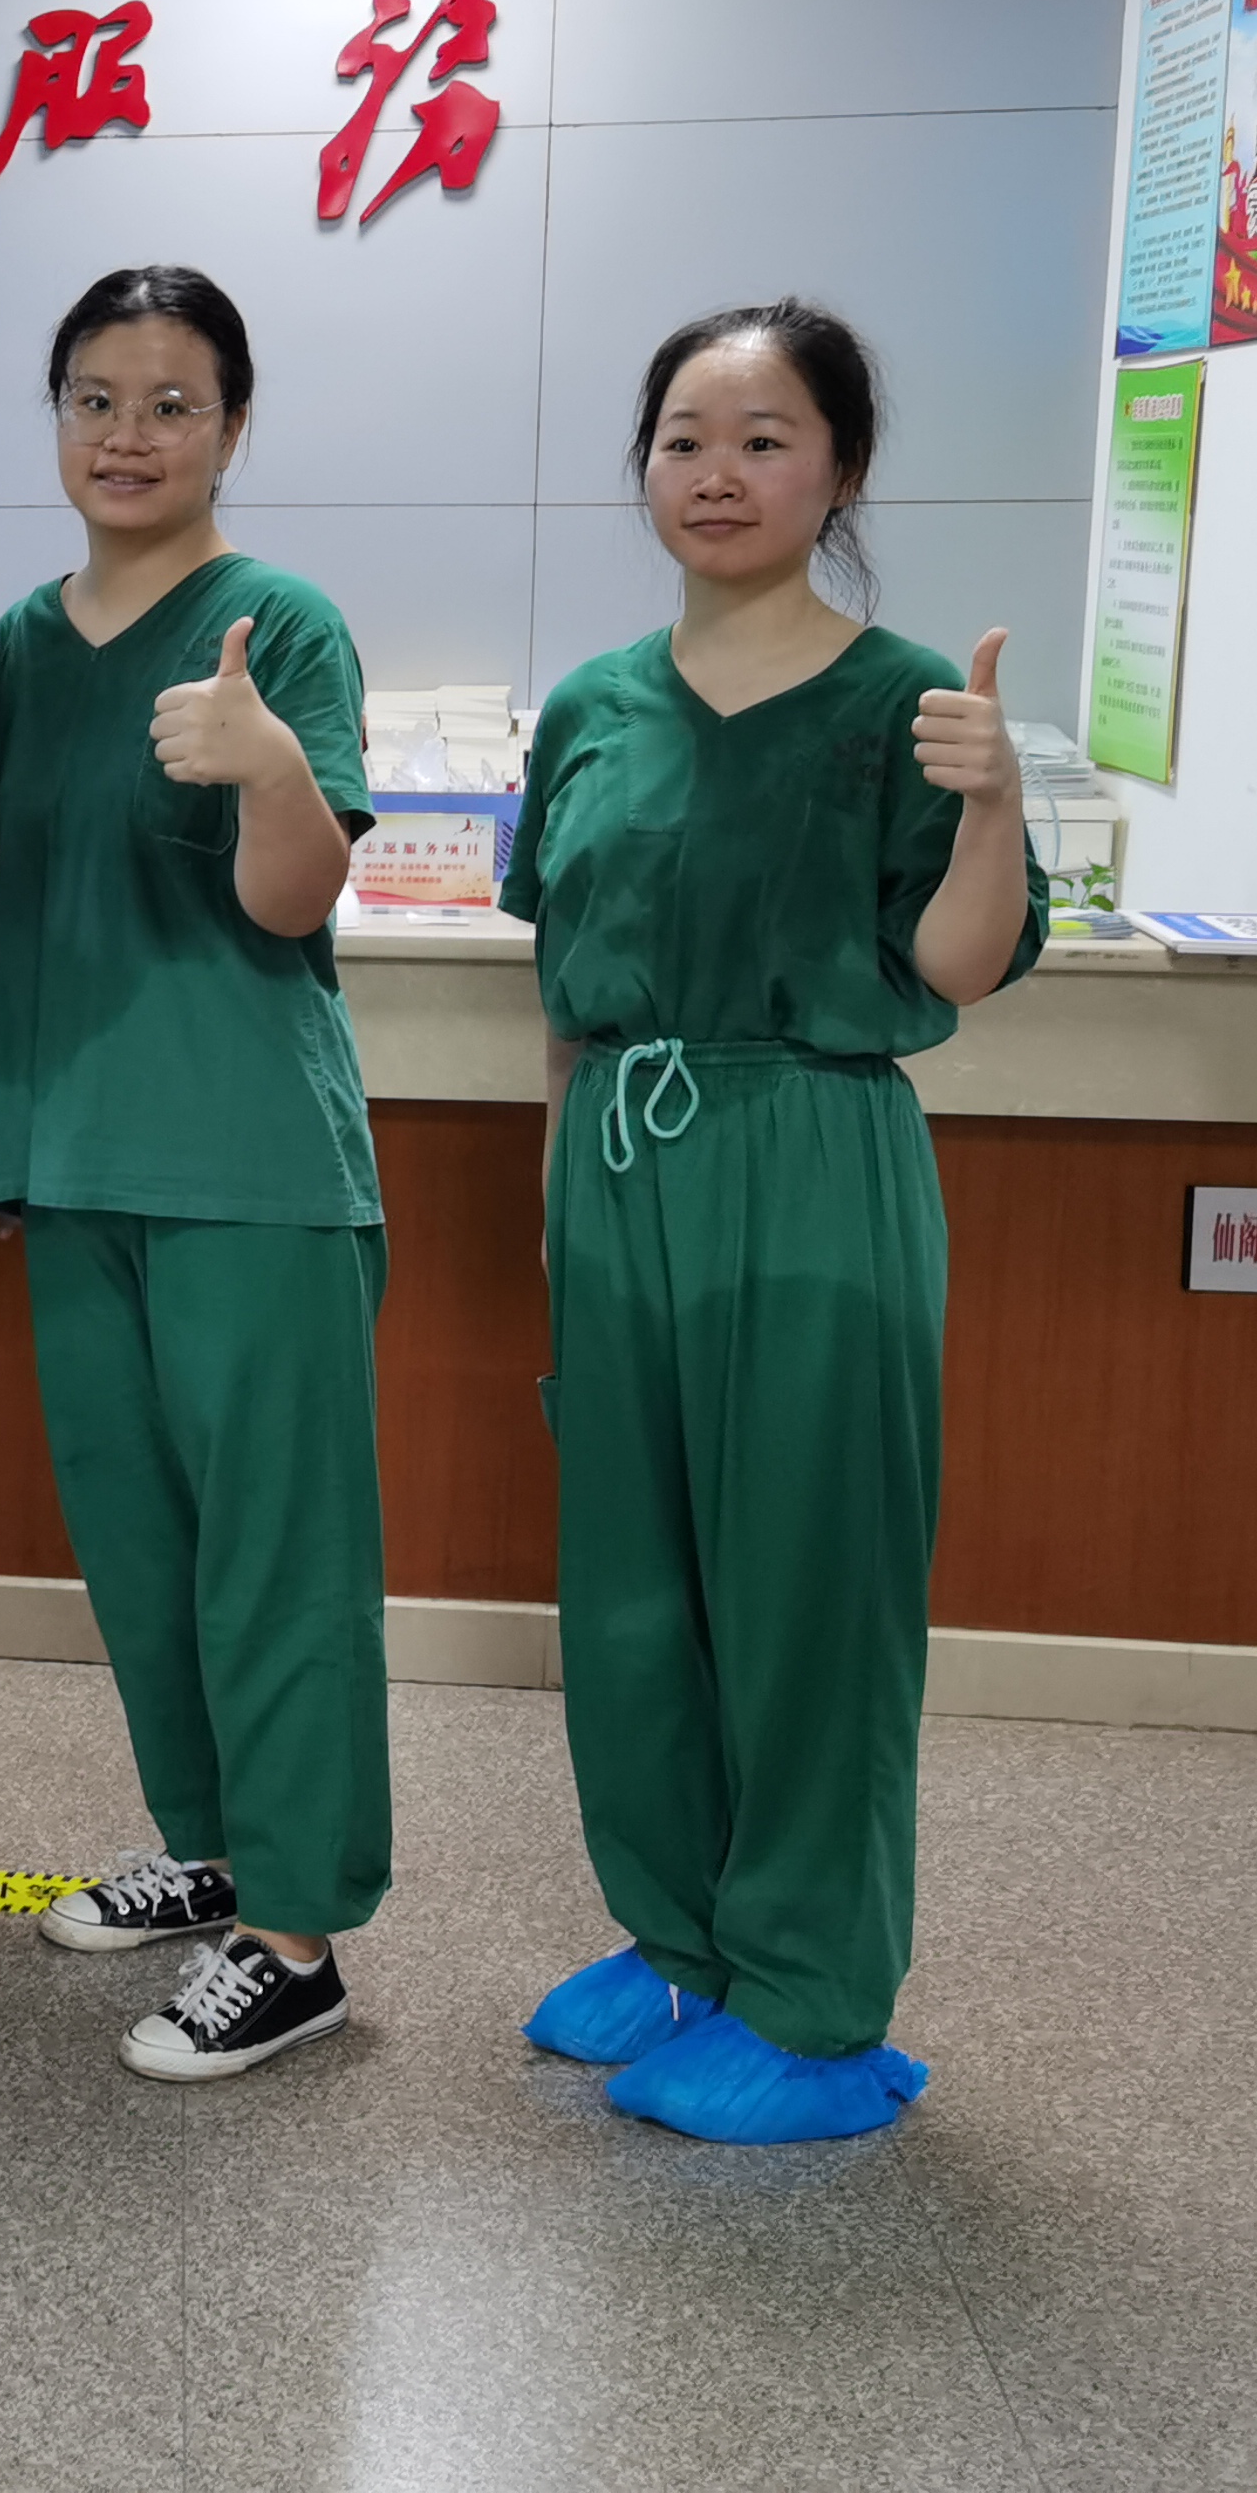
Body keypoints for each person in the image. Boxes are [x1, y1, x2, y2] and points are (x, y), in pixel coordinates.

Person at [506, 297, 1040, 2144]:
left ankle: (811, 2008)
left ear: (842, 470)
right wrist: (559, 1196)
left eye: (763, 440)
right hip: (618, 1156)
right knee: (633, 1588)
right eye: (684, 440)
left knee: (808, 1590)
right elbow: (566, 986)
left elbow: (957, 967)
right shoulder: (592, 707)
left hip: (810, 1148)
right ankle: (682, 1942)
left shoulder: (906, 703)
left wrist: (995, 809)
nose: (716, 474)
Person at [0, 265, 391, 2084]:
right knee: (142, 1552)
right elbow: (11, 906)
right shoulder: (23, 641)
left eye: (170, 405)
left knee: (276, 1565)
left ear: (232, 426)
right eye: (94, 400)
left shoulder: (277, 624)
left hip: (246, 1168)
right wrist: (2, 1131)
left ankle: (296, 1938)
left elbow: (294, 902)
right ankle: (215, 1849)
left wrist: (271, 766)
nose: (126, 437)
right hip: (76, 1159)